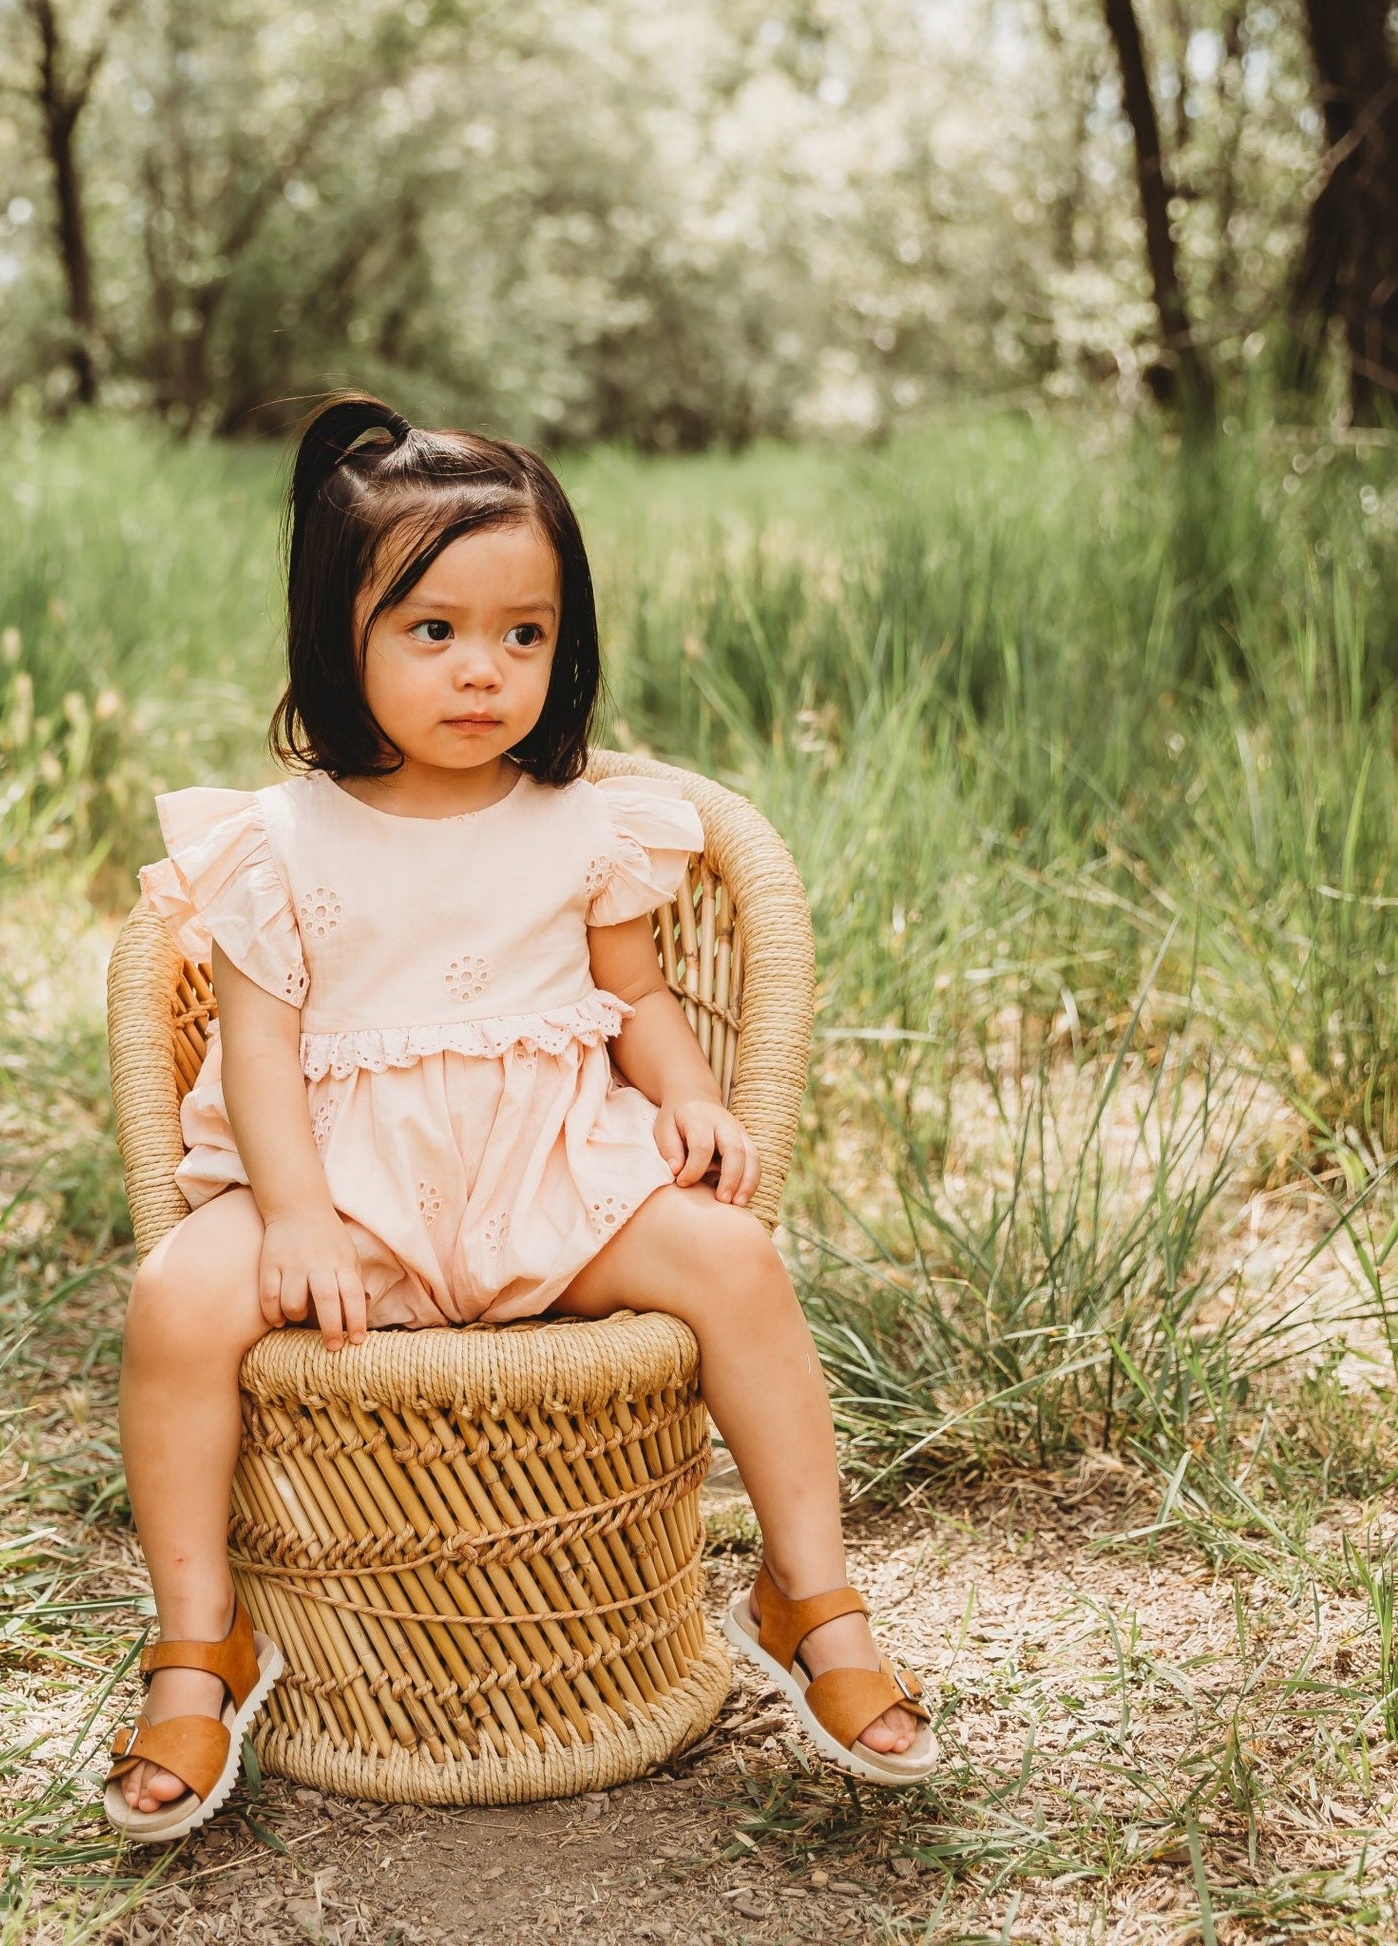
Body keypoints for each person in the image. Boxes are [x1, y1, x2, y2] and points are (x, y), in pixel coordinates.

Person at [105, 394, 937, 1841]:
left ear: (566, 645)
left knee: (737, 1264)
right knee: (176, 1298)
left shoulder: (585, 821)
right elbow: (256, 1052)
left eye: (523, 634)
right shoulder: (279, 840)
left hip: (548, 1177)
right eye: (431, 632)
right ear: (339, 635)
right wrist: (293, 1212)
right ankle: (200, 1632)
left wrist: (681, 1095)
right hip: (348, 1202)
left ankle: (808, 1587)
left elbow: (638, 991)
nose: (483, 672)